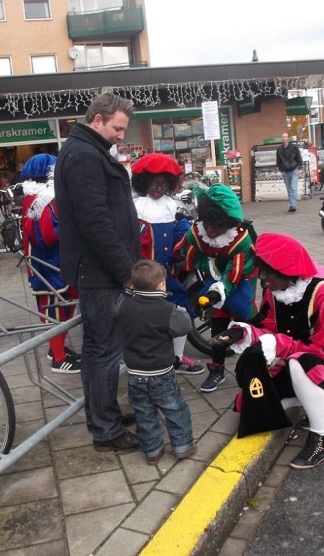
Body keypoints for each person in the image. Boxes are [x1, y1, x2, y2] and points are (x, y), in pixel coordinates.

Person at [211, 233, 324, 470]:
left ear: (286, 271)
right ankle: (305, 404)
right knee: (252, 408)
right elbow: (265, 327)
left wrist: (281, 346)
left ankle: (320, 440)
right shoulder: (276, 293)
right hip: (295, 365)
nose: (262, 278)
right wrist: (240, 333)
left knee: (299, 362)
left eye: (267, 272)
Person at [54, 93, 140, 453]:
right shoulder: (85, 156)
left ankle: (102, 416)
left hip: (97, 270)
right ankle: (107, 430)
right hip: (101, 272)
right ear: (99, 119)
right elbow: (95, 222)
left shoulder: (86, 151)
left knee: (97, 350)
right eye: (118, 128)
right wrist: (126, 271)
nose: (121, 136)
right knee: (104, 351)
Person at [174, 183, 256, 392]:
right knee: (218, 325)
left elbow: (234, 275)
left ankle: (254, 370)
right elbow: (188, 256)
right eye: (207, 224)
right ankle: (217, 370)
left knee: (245, 325)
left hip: (241, 280)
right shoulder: (197, 233)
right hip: (216, 277)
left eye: (216, 226)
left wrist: (215, 291)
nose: (210, 231)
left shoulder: (241, 240)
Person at [115, 259, 196, 465]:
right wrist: (180, 310)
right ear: (161, 285)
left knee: (144, 413)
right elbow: (184, 326)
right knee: (175, 409)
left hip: (135, 373)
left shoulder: (124, 305)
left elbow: (115, 310)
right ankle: (182, 446)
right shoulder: (167, 309)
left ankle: (152, 451)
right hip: (161, 372)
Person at [131, 152, 204, 376]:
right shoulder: (135, 208)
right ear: (144, 182)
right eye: (154, 182)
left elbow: (182, 237)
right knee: (144, 318)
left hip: (166, 275)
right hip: (141, 277)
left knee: (181, 308)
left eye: (164, 183)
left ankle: (176, 358)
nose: (158, 188)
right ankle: (146, 361)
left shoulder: (171, 207)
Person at [20, 153, 81, 374]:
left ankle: (57, 348)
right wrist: (73, 226)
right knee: (54, 309)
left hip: (55, 263)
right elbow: (44, 236)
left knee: (66, 303)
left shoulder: (42, 197)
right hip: (48, 266)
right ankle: (58, 357)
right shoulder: (42, 201)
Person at [276, 133, 302, 212]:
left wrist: (298, 167)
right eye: (282, 137)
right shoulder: (279, 149)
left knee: (293, 188)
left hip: (294, 169)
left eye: (285, 137)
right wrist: (281, 169)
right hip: (285, 171)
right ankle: (291, 205)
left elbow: (298, 157)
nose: (283, 138)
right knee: (289, 189)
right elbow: (278, 161)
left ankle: (293, 205)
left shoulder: (294, 147)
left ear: (288, 138)